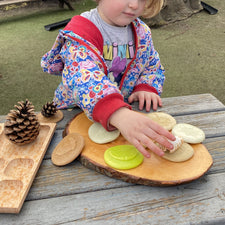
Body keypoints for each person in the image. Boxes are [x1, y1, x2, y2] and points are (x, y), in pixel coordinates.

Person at [41, 0, 175, 158]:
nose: (134, 5)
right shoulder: (81, 32)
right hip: (75, 114)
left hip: (122, 116)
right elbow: (83, 76)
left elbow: (151, 63)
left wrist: (145, 86)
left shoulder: (141, 32)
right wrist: (117, 113)